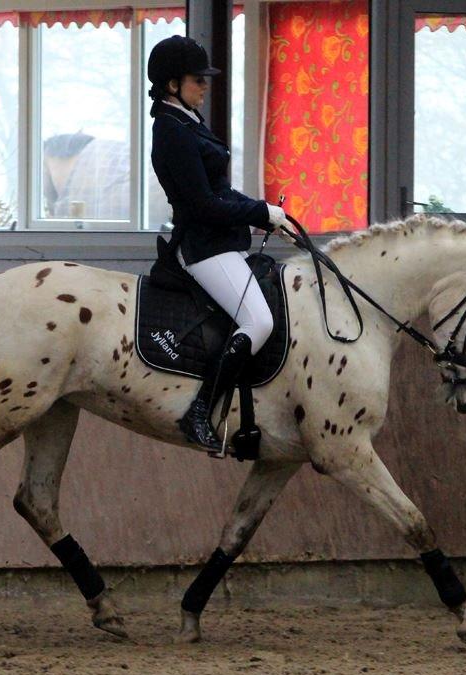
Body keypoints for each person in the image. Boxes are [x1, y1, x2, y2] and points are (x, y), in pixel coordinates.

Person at [148, 35, 288, 453]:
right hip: (203, 248)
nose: (205, 86)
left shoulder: (187, 121)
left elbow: (221, 190)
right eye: (198, 80)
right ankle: (199, 411)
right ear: (173, 84)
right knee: (260, 322)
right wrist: (258, 213)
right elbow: (203, 205)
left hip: (222, 242)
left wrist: (265, 211)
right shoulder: (171, 132)